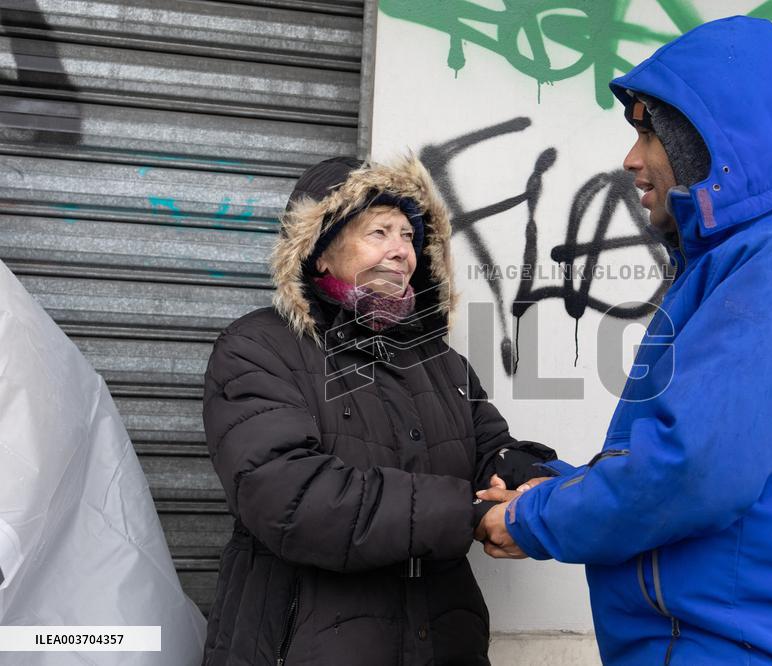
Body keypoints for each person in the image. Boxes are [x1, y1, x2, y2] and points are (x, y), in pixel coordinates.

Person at [476, 16, 772, 665]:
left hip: (730, 648)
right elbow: (685, 463)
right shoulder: (742, 259)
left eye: (648, 131)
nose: (632, 159)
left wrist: (532, 518)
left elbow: (690, 472)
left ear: (709, 140)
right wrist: (555, 487)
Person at [200, 155, 557, 666]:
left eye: (408, 236)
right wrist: (472, 514)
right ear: (319, 252)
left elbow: (487, 450)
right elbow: (293, 499)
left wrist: (536, 485)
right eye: (377, 232)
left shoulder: (442, 362)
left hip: (443, 640)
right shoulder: (257, 348)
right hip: (304, 646)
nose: (399, 252)